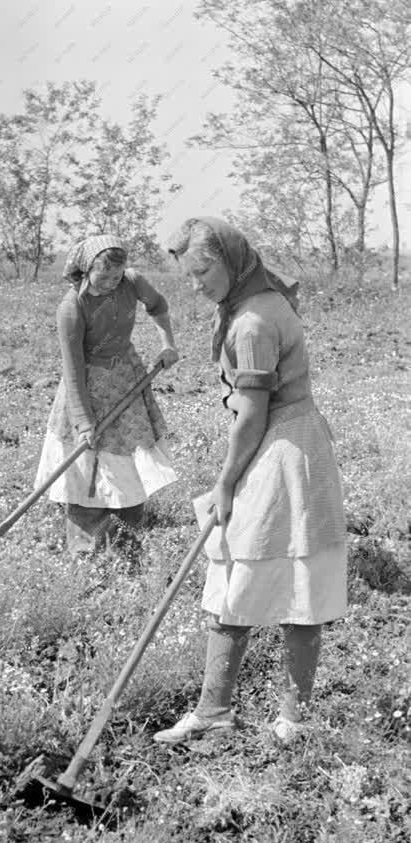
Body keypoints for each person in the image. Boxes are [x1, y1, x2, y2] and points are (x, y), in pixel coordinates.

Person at [153, 217, 347, 745]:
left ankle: (292, 718)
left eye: (203, 272)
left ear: (232, 260)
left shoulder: (253, 322)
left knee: (291, 581)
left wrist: (225, 483)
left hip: (285, 452)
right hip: (283, 442)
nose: (196, 285)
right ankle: (213, 710)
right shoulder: (252, 301)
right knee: (235, 576)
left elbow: (252, 416)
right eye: (188, 275)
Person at [35, 234, 179, 555]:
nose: (112, 283)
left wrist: (167, 343)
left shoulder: (133, 282)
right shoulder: (71, 307)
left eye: (117, 276)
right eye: (104, 277)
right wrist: (84, 423)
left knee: (127, 462)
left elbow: (158, 306)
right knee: (86, 466)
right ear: (86, 271)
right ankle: (85, 551)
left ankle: (126, 545)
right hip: (87, 387)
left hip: (127, 377)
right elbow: (72, 370)